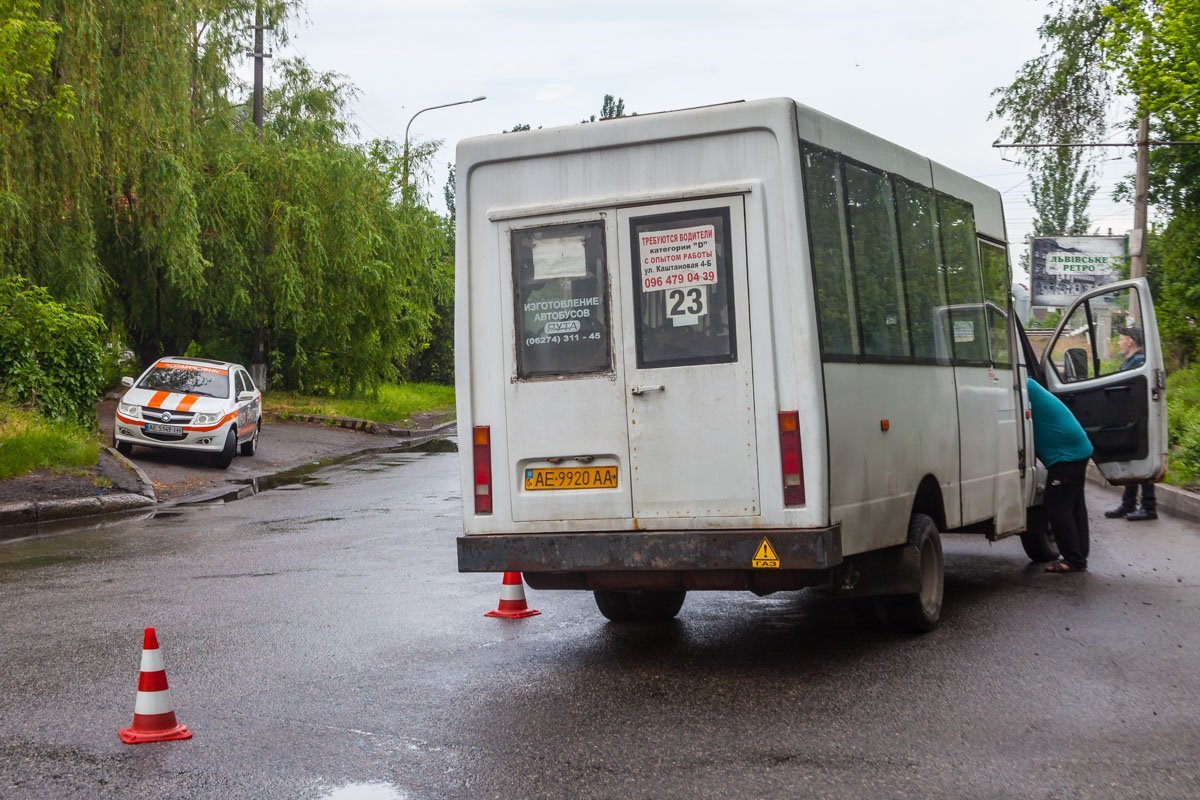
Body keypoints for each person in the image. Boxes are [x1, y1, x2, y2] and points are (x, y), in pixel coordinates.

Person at [1027, 377, 1095, 573]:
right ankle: (1080, 554)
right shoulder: (1030, 384)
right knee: (1074, 505)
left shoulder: (1022, 386)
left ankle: (1073, 560)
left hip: (1067, 456)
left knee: (1057, 506)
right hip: (1078, 449)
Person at [1103, 325, 1157, 521]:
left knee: (1140, 459)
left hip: (1139, 418)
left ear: (1130, 341)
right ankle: (1128, 504)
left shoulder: (1139, 362)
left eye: (1121, 338)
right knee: (1132, 459)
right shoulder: (1131, 362)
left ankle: (1149, 507)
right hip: (1132, 418)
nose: (1118, 342)